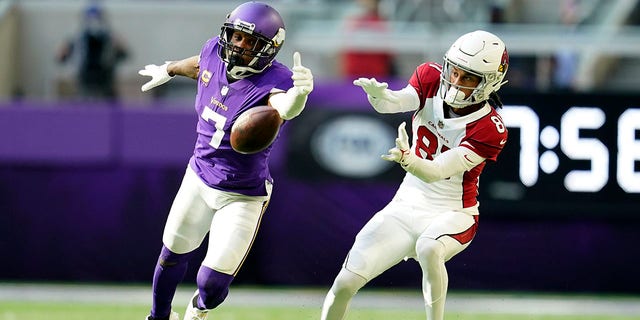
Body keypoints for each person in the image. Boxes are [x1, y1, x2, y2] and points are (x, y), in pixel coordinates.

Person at [137, 2, 313, 320]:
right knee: (170, 257)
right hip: (199, 175)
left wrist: (298, 96)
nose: (239, 45)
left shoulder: (277, 80)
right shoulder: (212, 53)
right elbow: (200, 66)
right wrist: (169, 68)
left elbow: (283, 107)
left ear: (270, 48)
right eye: (236, 36)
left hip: (242, 193)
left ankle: (197, 310)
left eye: (250, 41)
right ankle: (158, 316)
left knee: (212, 286)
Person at [320, 30, 509, 320]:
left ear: (489, 82)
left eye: (468, 77)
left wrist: (409, 160)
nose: (456, 82)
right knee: (345, 281)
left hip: (454, 212)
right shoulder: (430, 77)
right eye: (454, 72)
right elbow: (395, 102)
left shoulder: (489, 128)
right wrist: (379, 95)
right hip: (406, 205)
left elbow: (437, 171)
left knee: (430, 246)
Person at [56, 3, 129, 100]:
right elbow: (61, 58)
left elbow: (124, 55)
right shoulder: (79, 40)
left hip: (105, 84)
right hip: (85, 83)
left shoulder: (109, 39)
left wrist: (119, 46)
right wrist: (63, 51)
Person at [340, 0, 396, 79]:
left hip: (377, 75)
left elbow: (390, 53)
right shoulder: (352, 22)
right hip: (354, 75)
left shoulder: (382, 23)